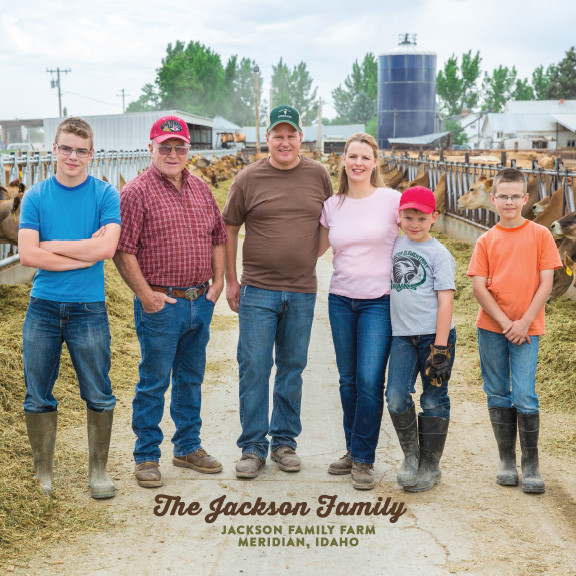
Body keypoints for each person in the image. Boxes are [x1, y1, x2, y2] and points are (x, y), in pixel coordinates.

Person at [113, 115, 227, 488]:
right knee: (154, 380)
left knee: (191, 378)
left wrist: (219, 281)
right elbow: (122, 251)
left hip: (199, 299)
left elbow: (218, 237)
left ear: (189, 150)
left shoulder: (201, 189)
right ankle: (146, 455)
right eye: (165, 147)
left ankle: (187, 446)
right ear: (151, 149)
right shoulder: (136, 192)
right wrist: (145, 296)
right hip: (162, 304)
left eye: (180, 147)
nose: (173, 153)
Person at [223, 104, 333, 479]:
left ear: (302, 137)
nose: (284, 142)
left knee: (291, 368)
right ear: (266, 138)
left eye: (291, 135)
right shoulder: (247, 178)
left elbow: (327, 222)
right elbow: (229, 228)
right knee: (254, 366)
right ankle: (252, 447)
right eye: (277, 135)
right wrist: (231, 280)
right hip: (258, 290)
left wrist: (308, 255)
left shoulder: (318, 175)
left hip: (302, 290)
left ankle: (284, 442)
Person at [18, 117, 121, 499]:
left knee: (98, 390)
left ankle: (99, 471)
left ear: (91, 154)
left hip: (88, 308)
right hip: (42, 307)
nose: (72, 156)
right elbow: (28, 255)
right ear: (54, 150)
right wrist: (82, 254)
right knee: (37, 392)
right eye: (66, 148)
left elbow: (107, 249)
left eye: (81, 150)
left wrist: (53, 246)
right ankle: (43, 474)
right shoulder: (36, 196)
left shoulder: (105, 195)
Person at [468, 168, 561, 494]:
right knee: (497, 391)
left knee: (524, 392)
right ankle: (507, 459)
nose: (509, 202)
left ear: (525, 198)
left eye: (514, 196)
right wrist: (505, 322)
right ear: (493, 200)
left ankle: (531, 464)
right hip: (493, 327)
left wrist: (523, 322)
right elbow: (479, 287)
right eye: (502, 196)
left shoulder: (540, 235)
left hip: (528, 327)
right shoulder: (486, 240)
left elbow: (546, 282)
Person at [318, 132, 400, 490]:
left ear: (375, 163)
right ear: (343, 161)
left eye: (365, 157)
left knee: (369, 380)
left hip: (378, 302)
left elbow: (417, 234)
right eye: (352, 156)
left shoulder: (391, 200)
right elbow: (316, 250)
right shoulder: (332, 205)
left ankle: (364, 459)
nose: (358, 163)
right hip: (340, 300)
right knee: (348, 380)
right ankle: (353, 450)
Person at [385, 186, 456, 493]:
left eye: (421, 218)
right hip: (401, 336)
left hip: (434, 338)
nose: (414, 223)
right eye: (408, 216)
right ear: (398, 217)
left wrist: (440, 346)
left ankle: (431, 464)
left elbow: (446, 301)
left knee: (433, 397)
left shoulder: (439, 254)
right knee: (397, 395)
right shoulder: (396, 243)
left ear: (434, 218)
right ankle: (410, 457)